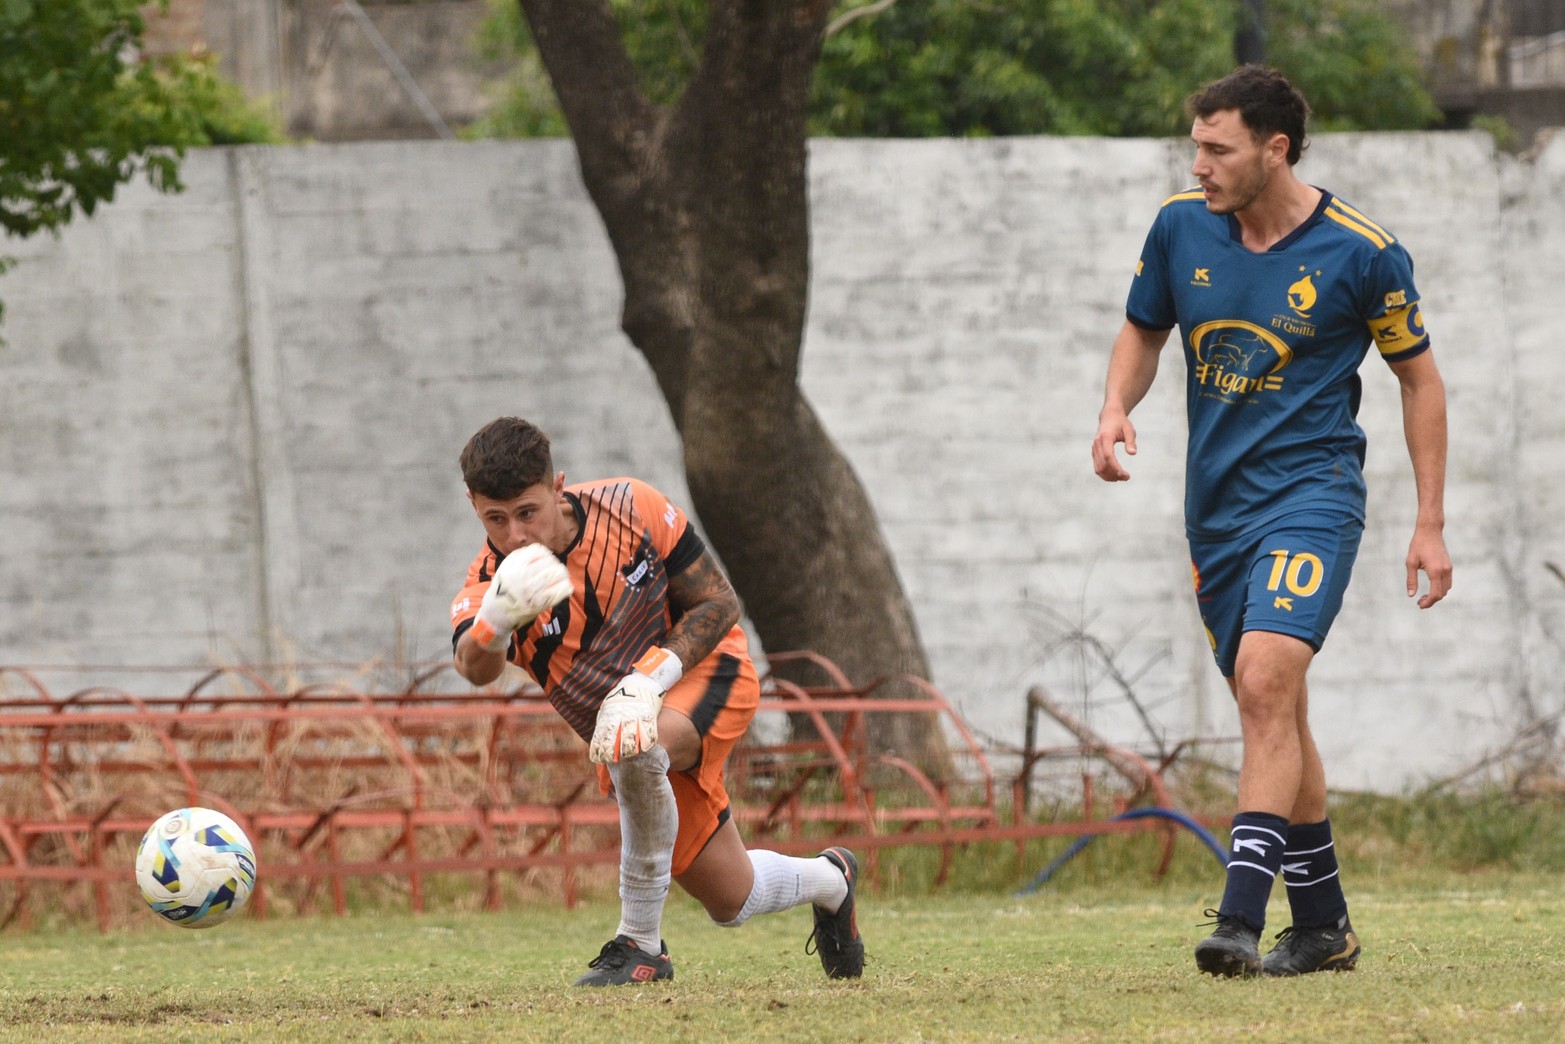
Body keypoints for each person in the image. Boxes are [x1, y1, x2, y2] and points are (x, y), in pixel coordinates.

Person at [1090, 65, 1451, 978]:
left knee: (1263, 680)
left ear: (1273, 148)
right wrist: (1112, 409)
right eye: (1195, 146)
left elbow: (1419, 379)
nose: (1199, 164)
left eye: (1217, 148)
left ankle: (1240, 919)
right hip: (1215, 515)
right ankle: (1324, 925)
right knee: (1274, 706)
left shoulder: (1361, 252)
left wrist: (1429, 523)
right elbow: (1143, 328)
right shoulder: (1180, 227)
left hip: (1313, 495)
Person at [449, 416, 864, 986]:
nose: (516, 534)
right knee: (731, 899)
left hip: (707, 674)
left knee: (631, 741)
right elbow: (475, 669)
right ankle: (832, 880)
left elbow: (718, 603)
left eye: (528, 512)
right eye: (496, 519)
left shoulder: (631, 506)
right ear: (473, 505)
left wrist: (646, 681)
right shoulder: (491, 580)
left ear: (557, 486)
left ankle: (641, 946)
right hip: (636, 737)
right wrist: (496, 621)